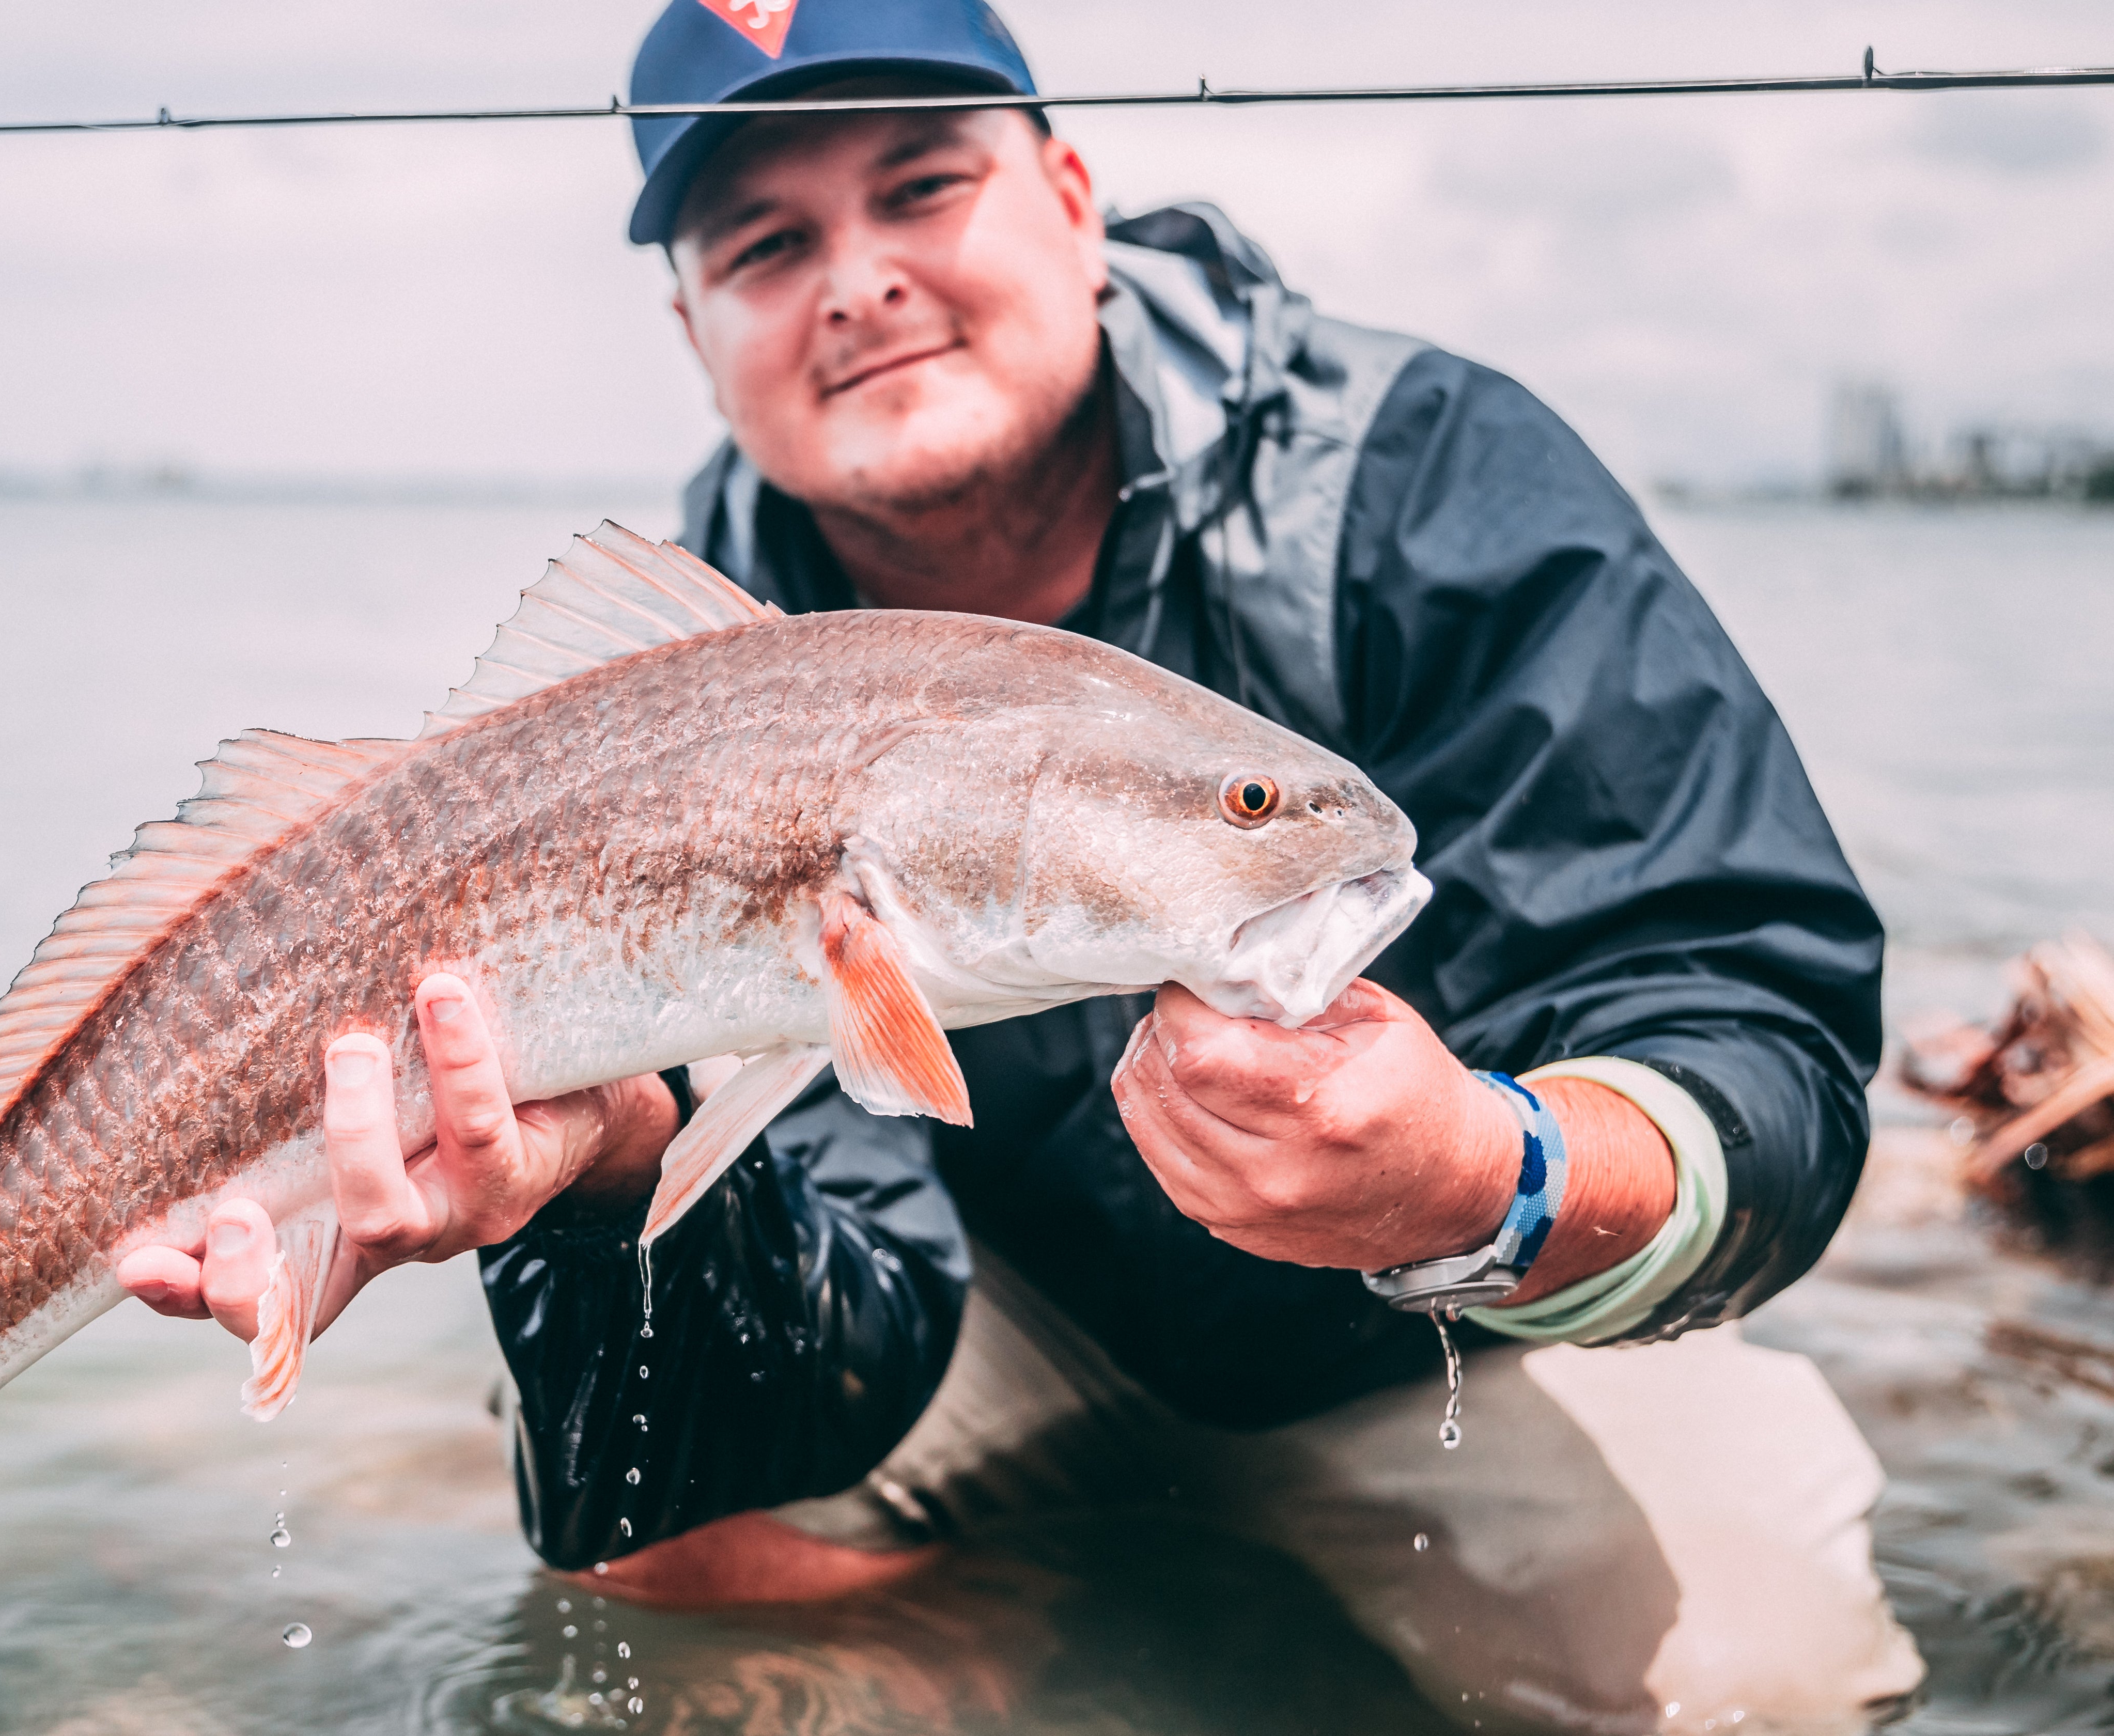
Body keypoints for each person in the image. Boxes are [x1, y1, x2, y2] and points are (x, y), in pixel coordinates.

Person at [121, 1, 1926, 1725]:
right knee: (649, 1546)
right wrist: (612, 1174)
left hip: (1461, 1340)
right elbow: (822, 1306)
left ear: (1074, 203)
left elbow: (1752, 1031)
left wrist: (1483, 1174)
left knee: (1758, 1689)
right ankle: (1082, 1653)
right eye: (763, 247)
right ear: (695, 336)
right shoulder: (671, 706)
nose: (859, 281)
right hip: (1008, 1327)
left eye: (921, 183)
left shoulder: (1419, 486)